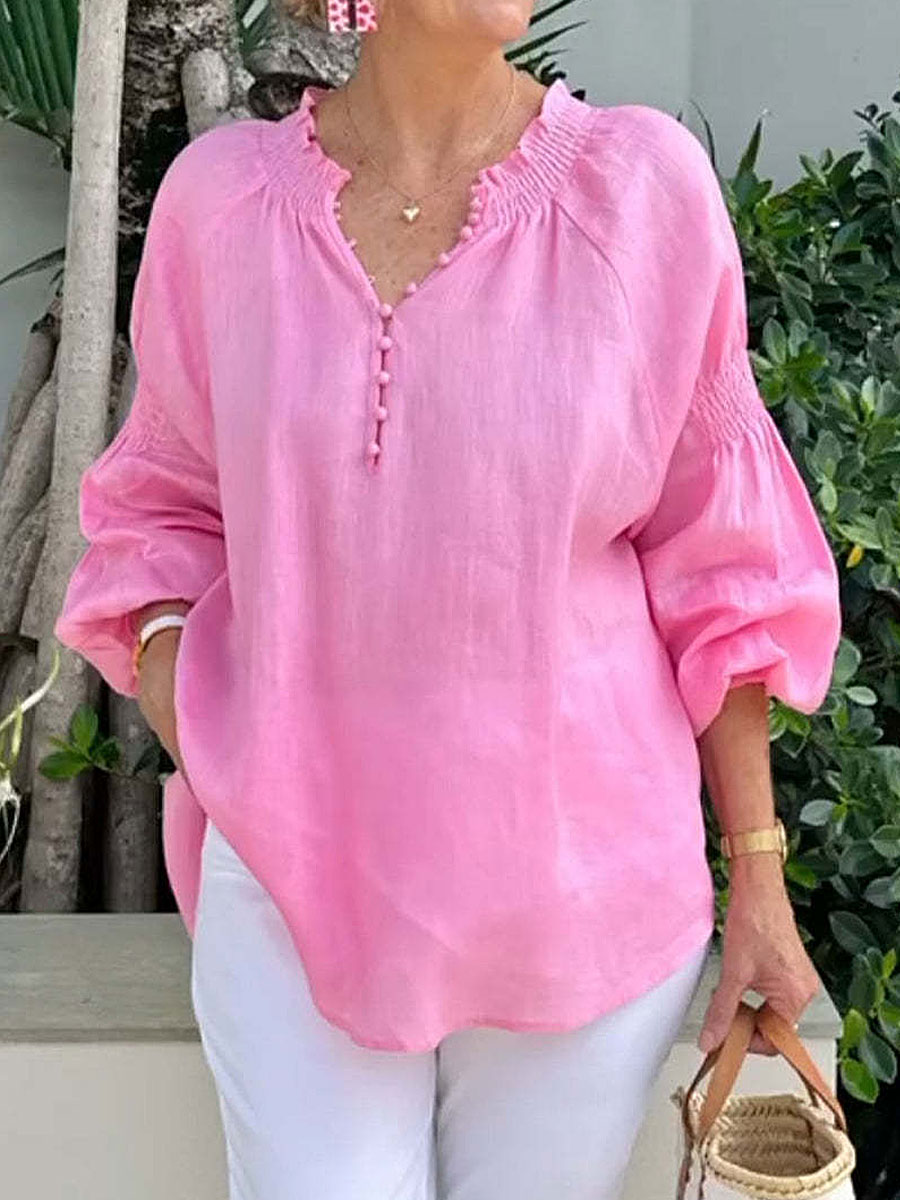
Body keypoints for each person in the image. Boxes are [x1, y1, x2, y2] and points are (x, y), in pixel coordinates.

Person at [53, 0, 843, 1196]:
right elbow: (161, 507)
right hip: (293, 882)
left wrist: (762, 879)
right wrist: (198, 709)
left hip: (582, 898)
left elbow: (725, 569)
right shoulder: (220, 204)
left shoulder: (642, 192)